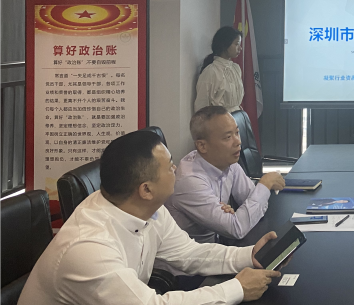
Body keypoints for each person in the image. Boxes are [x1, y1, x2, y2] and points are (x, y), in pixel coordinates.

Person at [19, 130, 282, 305]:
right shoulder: (89, 248)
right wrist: (237, 289)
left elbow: (188, 254)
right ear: (146, 189)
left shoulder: (146, 209)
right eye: (169, 166)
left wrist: (249, 255)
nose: (176, 169)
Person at [166, 106, 286, 245]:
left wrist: (239, 215)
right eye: (228, 137)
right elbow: (237, 228)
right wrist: (265, 184)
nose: (238, 141)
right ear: (202, 146)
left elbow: (258, 206)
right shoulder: (189, 181)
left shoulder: (228, 162)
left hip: (218, 246)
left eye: (237, 133)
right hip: (194, 254)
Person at [195, 26, 244, 112]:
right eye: (236, 44)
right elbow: (201, 106)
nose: (240, 48)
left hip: (236, 117)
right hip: (220, 118)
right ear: (225, 44)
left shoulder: (236, 68)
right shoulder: (211, 71)